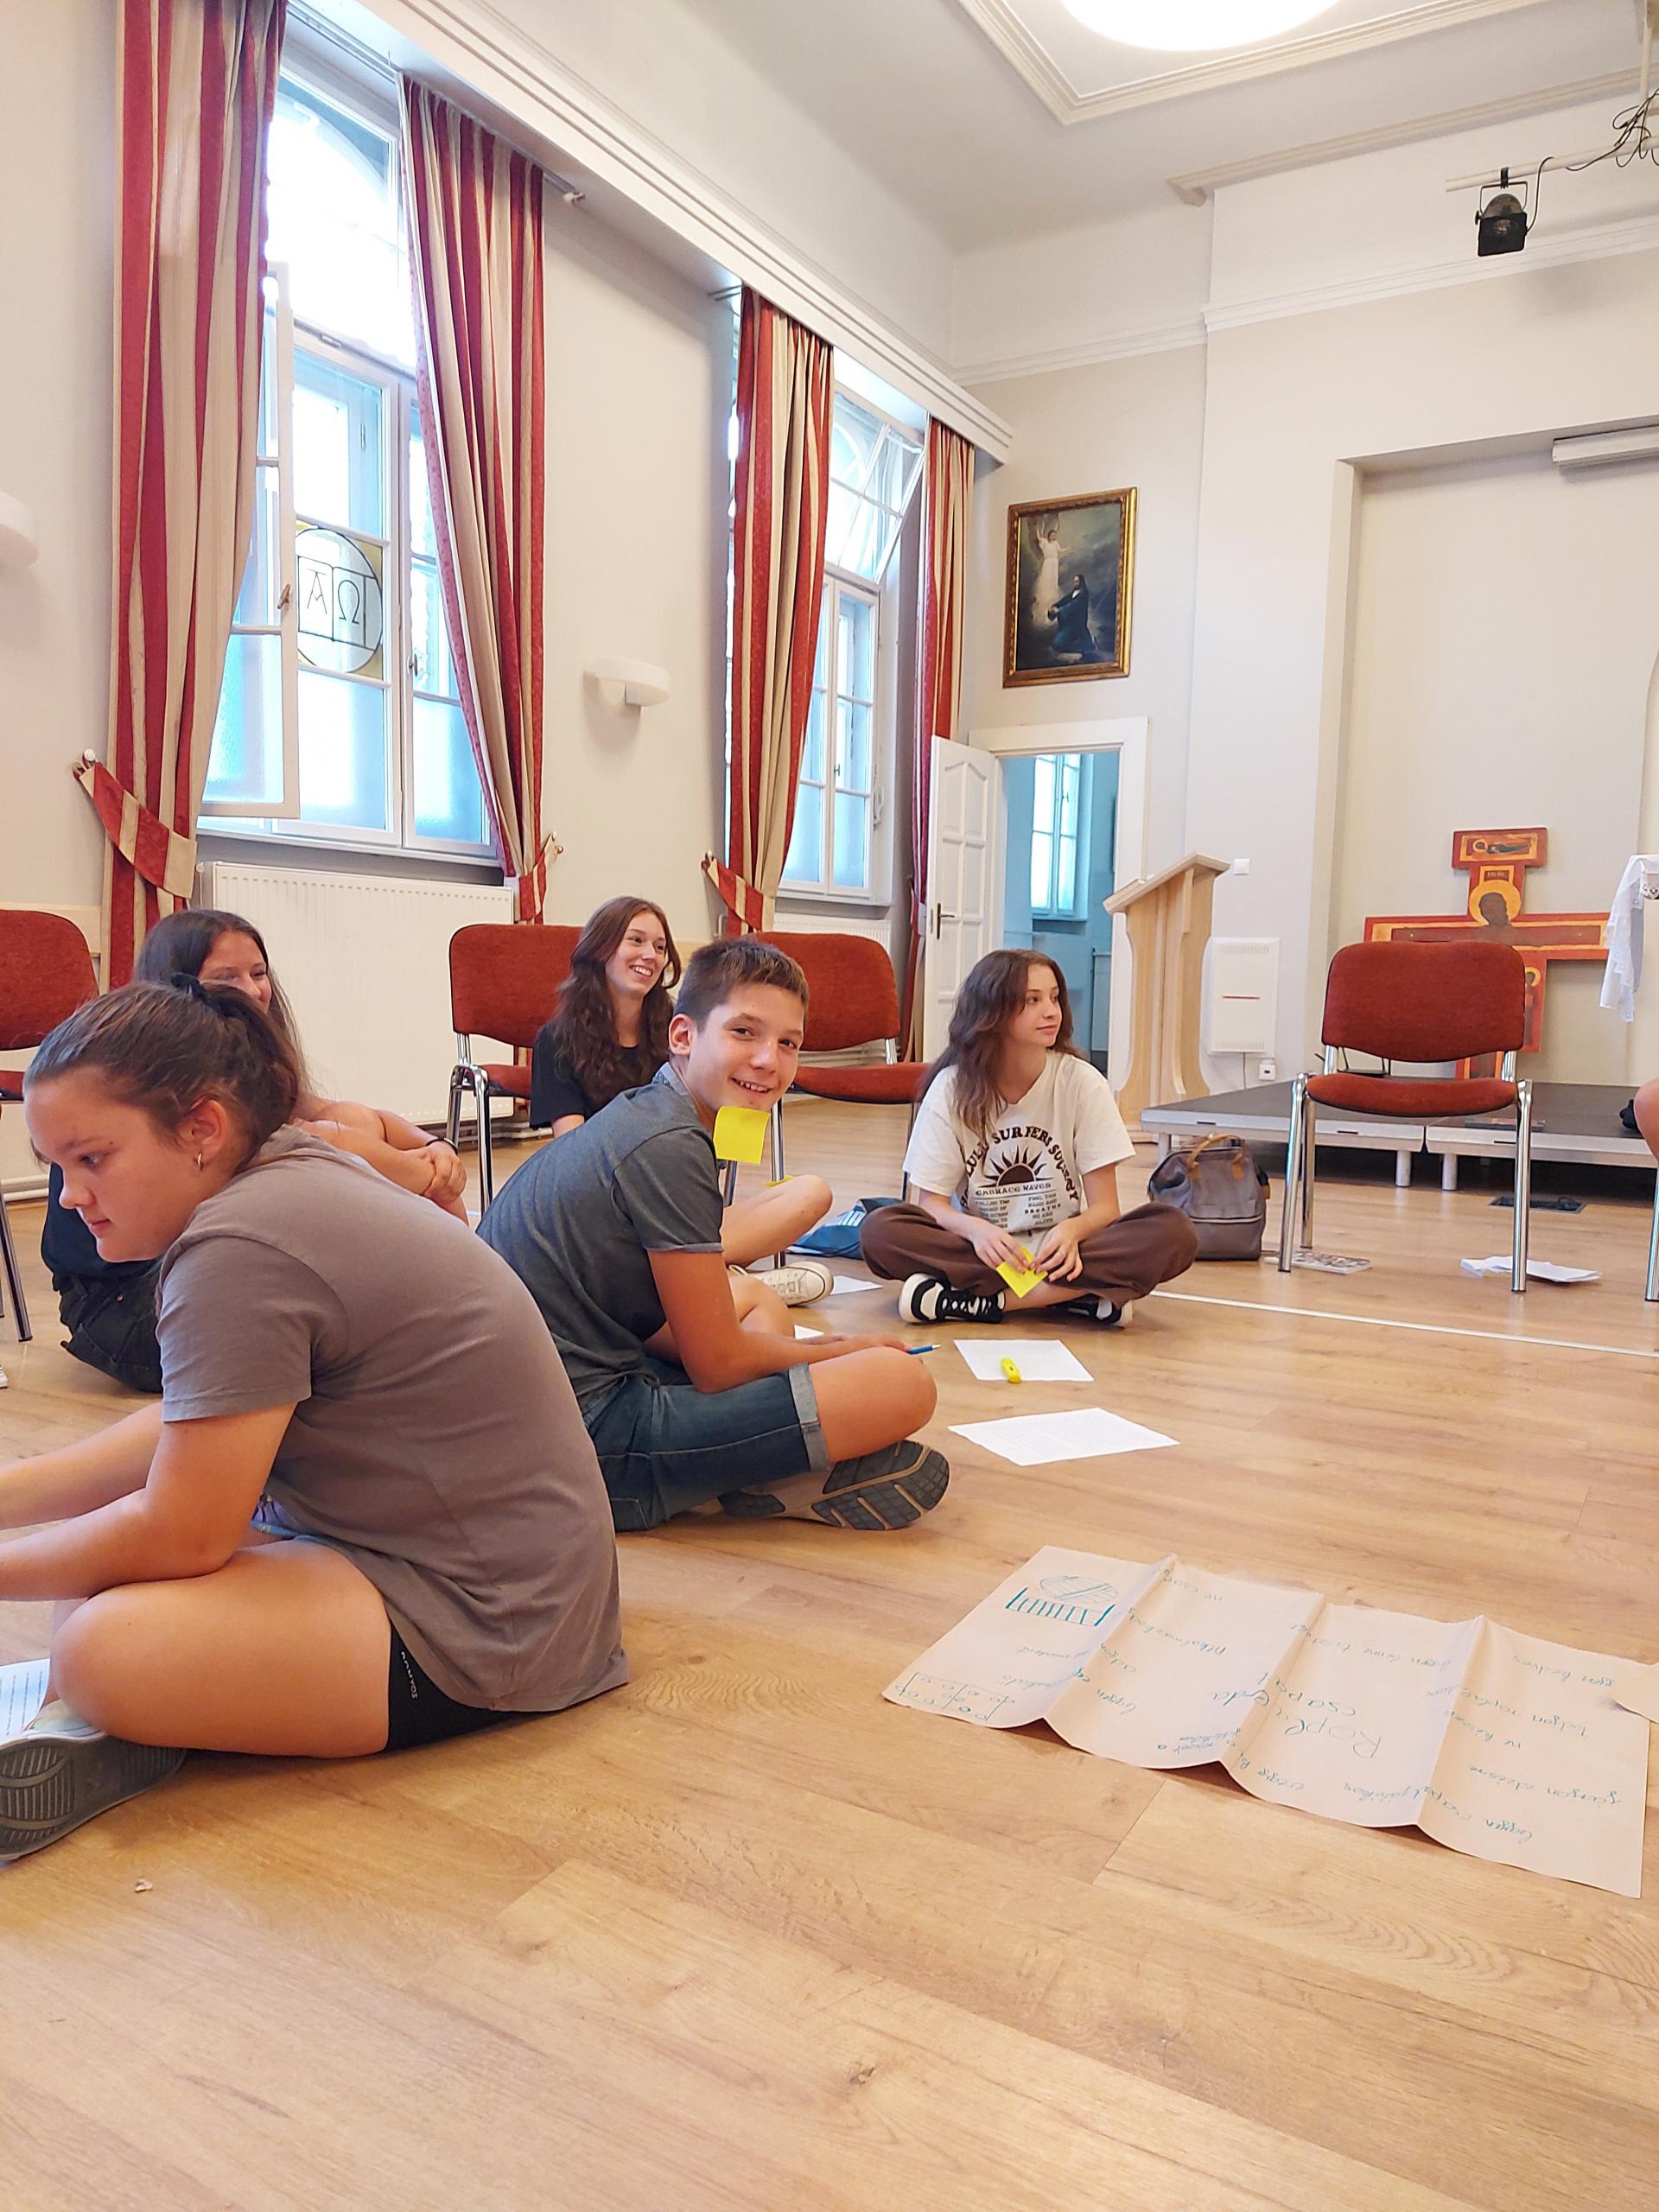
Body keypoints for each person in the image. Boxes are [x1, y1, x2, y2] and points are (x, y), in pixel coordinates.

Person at [1, 979, 625, 1860]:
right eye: (56, 1165)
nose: (67, 1195)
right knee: (92, 1574)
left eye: (91, 1158)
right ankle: (146, 1718)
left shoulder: (238, 1248)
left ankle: (131, 1714)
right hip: (499, 1574)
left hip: (491, 1624)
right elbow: (192, 1423)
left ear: (202, 1127)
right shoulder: (285, 1167)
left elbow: (183, 1531)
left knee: (100, 1646)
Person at [480, 938, 948, 1534]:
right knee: (901, 1383)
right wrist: (838, 1349)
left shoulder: (659, 1111)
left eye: (788, 1043)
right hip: (577, 1449)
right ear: (683, 1036)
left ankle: (758, 1468)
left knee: (762, 1310)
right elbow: (718, 1366)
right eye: (744, 1032)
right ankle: (749, 1474)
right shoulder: (669, 1144)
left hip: (550, 1408)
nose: (768, 1060)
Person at [41, 908, 469, 1395]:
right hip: (127, 1300)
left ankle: (456, 1287)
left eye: (259, 973)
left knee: (351, 1123)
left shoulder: (247, 1061)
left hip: (205, 1273)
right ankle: (453, 1291)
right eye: (227, 978)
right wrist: (419, 1174)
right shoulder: (147, 1081)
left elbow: (345, 1116)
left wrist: (433, 1147)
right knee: (326, 1146)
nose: (253, 990)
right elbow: (313, 1141)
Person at [861, 949, 1198, 1325]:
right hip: (983, 1250)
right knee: (880, 1231)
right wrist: (978, 1231)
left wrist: (1071, 1231)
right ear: (992, 1011)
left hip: (1063, 1249)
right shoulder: (951, 1088)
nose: (1051, 1011)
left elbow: (1105, 1208)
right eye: (1033, 1000)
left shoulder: (1081, 1082)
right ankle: (1079, 1296)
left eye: (1054, 997)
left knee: (1173, 1231)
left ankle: (979, 1302)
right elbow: (932, 1205)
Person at [528, 894, 833, 1296]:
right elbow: (572, 1153)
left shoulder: (673, 1027)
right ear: (600, 948)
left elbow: (714, 1150)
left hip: (677, 1196)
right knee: (759, 1309)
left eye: (659, 946)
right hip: (607, 1210)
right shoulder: (559, 1038)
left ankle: (708, 1275)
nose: (650, 955)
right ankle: (716, 1282)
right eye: (636, 940)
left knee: (812, 1192)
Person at [1049, 572, 1100, 663]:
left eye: (1077, 582)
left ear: (1081, 582)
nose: (1075, 583)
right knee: (1056, 644)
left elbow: (1074, 605)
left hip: (1077, 626)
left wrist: (1060, 610)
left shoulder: (1084, 594)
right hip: (1069, 625)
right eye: (1075, 582)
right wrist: (1055, 606)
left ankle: (1081, 648)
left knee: (1058, 644)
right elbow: (1065, 600)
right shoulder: (1073, 593)